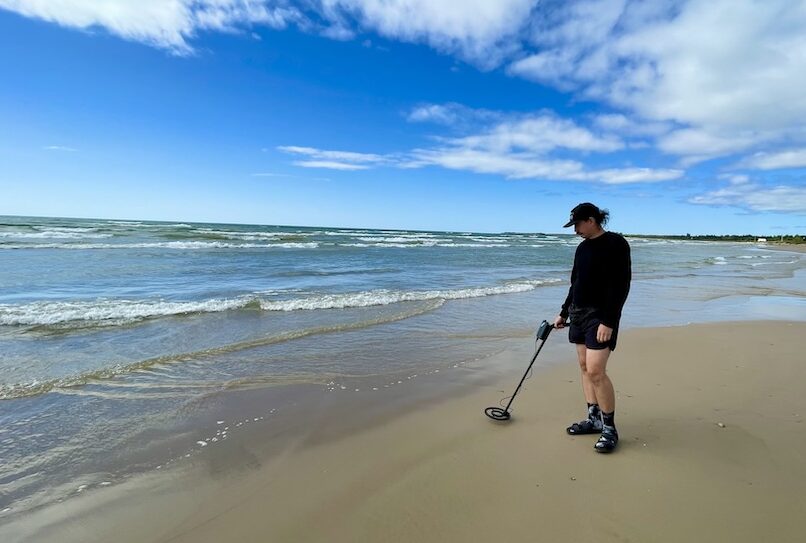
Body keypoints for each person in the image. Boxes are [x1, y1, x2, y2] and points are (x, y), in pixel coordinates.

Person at [553, 202, 631, 454]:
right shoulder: (582, 248)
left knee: (597, 371)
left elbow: (622, 285)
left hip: (601, 316)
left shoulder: (616, 244)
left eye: (576, 224)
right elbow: (575, 283)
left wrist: (609, 321)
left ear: (591, 220)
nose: (575, 230)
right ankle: (594, 418)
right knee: (585, 367)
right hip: (579, 313)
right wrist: (564, 312)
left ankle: (609, 429)